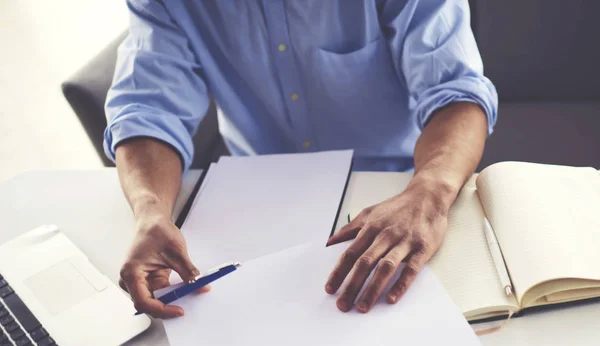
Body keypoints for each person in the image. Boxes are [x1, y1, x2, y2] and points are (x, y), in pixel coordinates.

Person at [106, 0, 497, 319]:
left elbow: (458, 93)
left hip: (396, 192)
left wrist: (429, 193)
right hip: (253, 204)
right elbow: (147, 110)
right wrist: (150, 210)